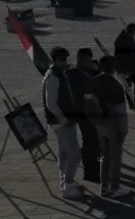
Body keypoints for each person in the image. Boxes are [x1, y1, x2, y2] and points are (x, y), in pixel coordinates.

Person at [43, 47, 82, 200]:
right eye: (60, 60)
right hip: (61, 122)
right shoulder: (53, 77)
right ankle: (68, 185)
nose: (63, 62)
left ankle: (64, 181)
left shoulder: (60, 74)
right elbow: (51, 104)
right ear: (54, 60)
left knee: (64, 153)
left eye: (64, 59)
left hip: (64, 120)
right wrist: (64, 120)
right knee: (74, 154)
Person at [88, 55, 130, 198]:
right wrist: (124, 129)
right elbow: (121, 110)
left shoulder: (93, 82)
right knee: (115, 158)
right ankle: (115, 187)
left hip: (99, 125)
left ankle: (104, 186)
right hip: (113, 124)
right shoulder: (115, 85)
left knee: (104, 156)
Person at [66, 48, 101, 184]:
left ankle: (95, 168)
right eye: (87, 61)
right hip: (84, 114)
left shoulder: (87, 71)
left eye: (90, 60)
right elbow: (80, 95)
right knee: (90, 142)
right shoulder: (74, 74)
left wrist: (96, 69)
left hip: (93, 111)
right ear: (80, 60)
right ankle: (90, 172)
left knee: (95, 141)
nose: (89, 63)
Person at [113, 23, 135, 109]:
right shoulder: (120, 40)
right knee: (128, 85)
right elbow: (122, 53)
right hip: (124, 66)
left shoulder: (129, 38)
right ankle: (131, 102)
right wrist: (134, 50)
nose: (134, 35)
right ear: (129, 31)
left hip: (131, 65)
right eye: (133, 33)